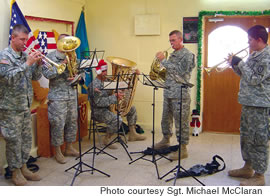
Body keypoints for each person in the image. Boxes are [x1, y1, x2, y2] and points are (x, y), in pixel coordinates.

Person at [227, 25, 270, 186]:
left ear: (259, 40)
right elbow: (245, 76)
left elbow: (254, 79)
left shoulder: (267, 57)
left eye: (250, 40)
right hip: (248, 102)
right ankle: (248, 167)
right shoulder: (254, 55)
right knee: (246, 137)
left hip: (259, 105)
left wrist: (240, 63)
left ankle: (259, 175)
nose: (248, 43)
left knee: (259, 139)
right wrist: (234, 65)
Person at [0, 24, 42, 185]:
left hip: (25, 105)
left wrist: (37, 64)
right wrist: (27, 63)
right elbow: (7, 78)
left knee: (25, 139)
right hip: (10, 108)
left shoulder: (25, 55)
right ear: (13, 38)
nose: (25, 43)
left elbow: (36, 77)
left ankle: (24, 167)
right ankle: (15, 171)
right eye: (22, 39)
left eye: (26, 39)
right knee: (13, 141)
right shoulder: (4, 56)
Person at [155, 30, 195, 160]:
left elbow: (181, 71)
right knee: (165, 118)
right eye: (170, 41)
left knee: (181, 122)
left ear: (180, 39)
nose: (171, 43)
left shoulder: (188, 55)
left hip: (180, 94)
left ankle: (183, 149)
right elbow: (168, 73)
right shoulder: (173, 54)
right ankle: (166, 139)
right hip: (168, 91)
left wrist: (164, 61)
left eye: (173, 40)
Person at [88, 59, 146, 149]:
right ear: (98, 71)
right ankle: (107, 139)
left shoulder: (108, 80)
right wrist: (114, 97)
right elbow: (99, 103)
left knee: (131, 108)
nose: (105, 73)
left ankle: (133, 133)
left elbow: (121, 86)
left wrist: (135, 76)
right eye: (103, 71)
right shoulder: (94, 85)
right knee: (117, 119)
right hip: (99, 111)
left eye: (106, 70)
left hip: (109, 107)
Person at [42, 34, 79, 164]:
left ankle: (69, 147)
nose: (67, 46)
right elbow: (47, 74)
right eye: (65, 42)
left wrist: (78, 77)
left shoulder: (72, 55)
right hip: (58, 97)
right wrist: (60, 67)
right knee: (58, 124)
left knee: (72, 122)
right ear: (59, 43)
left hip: (72, 95)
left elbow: (79, 72)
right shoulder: (50, 57)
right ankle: (57, 150)